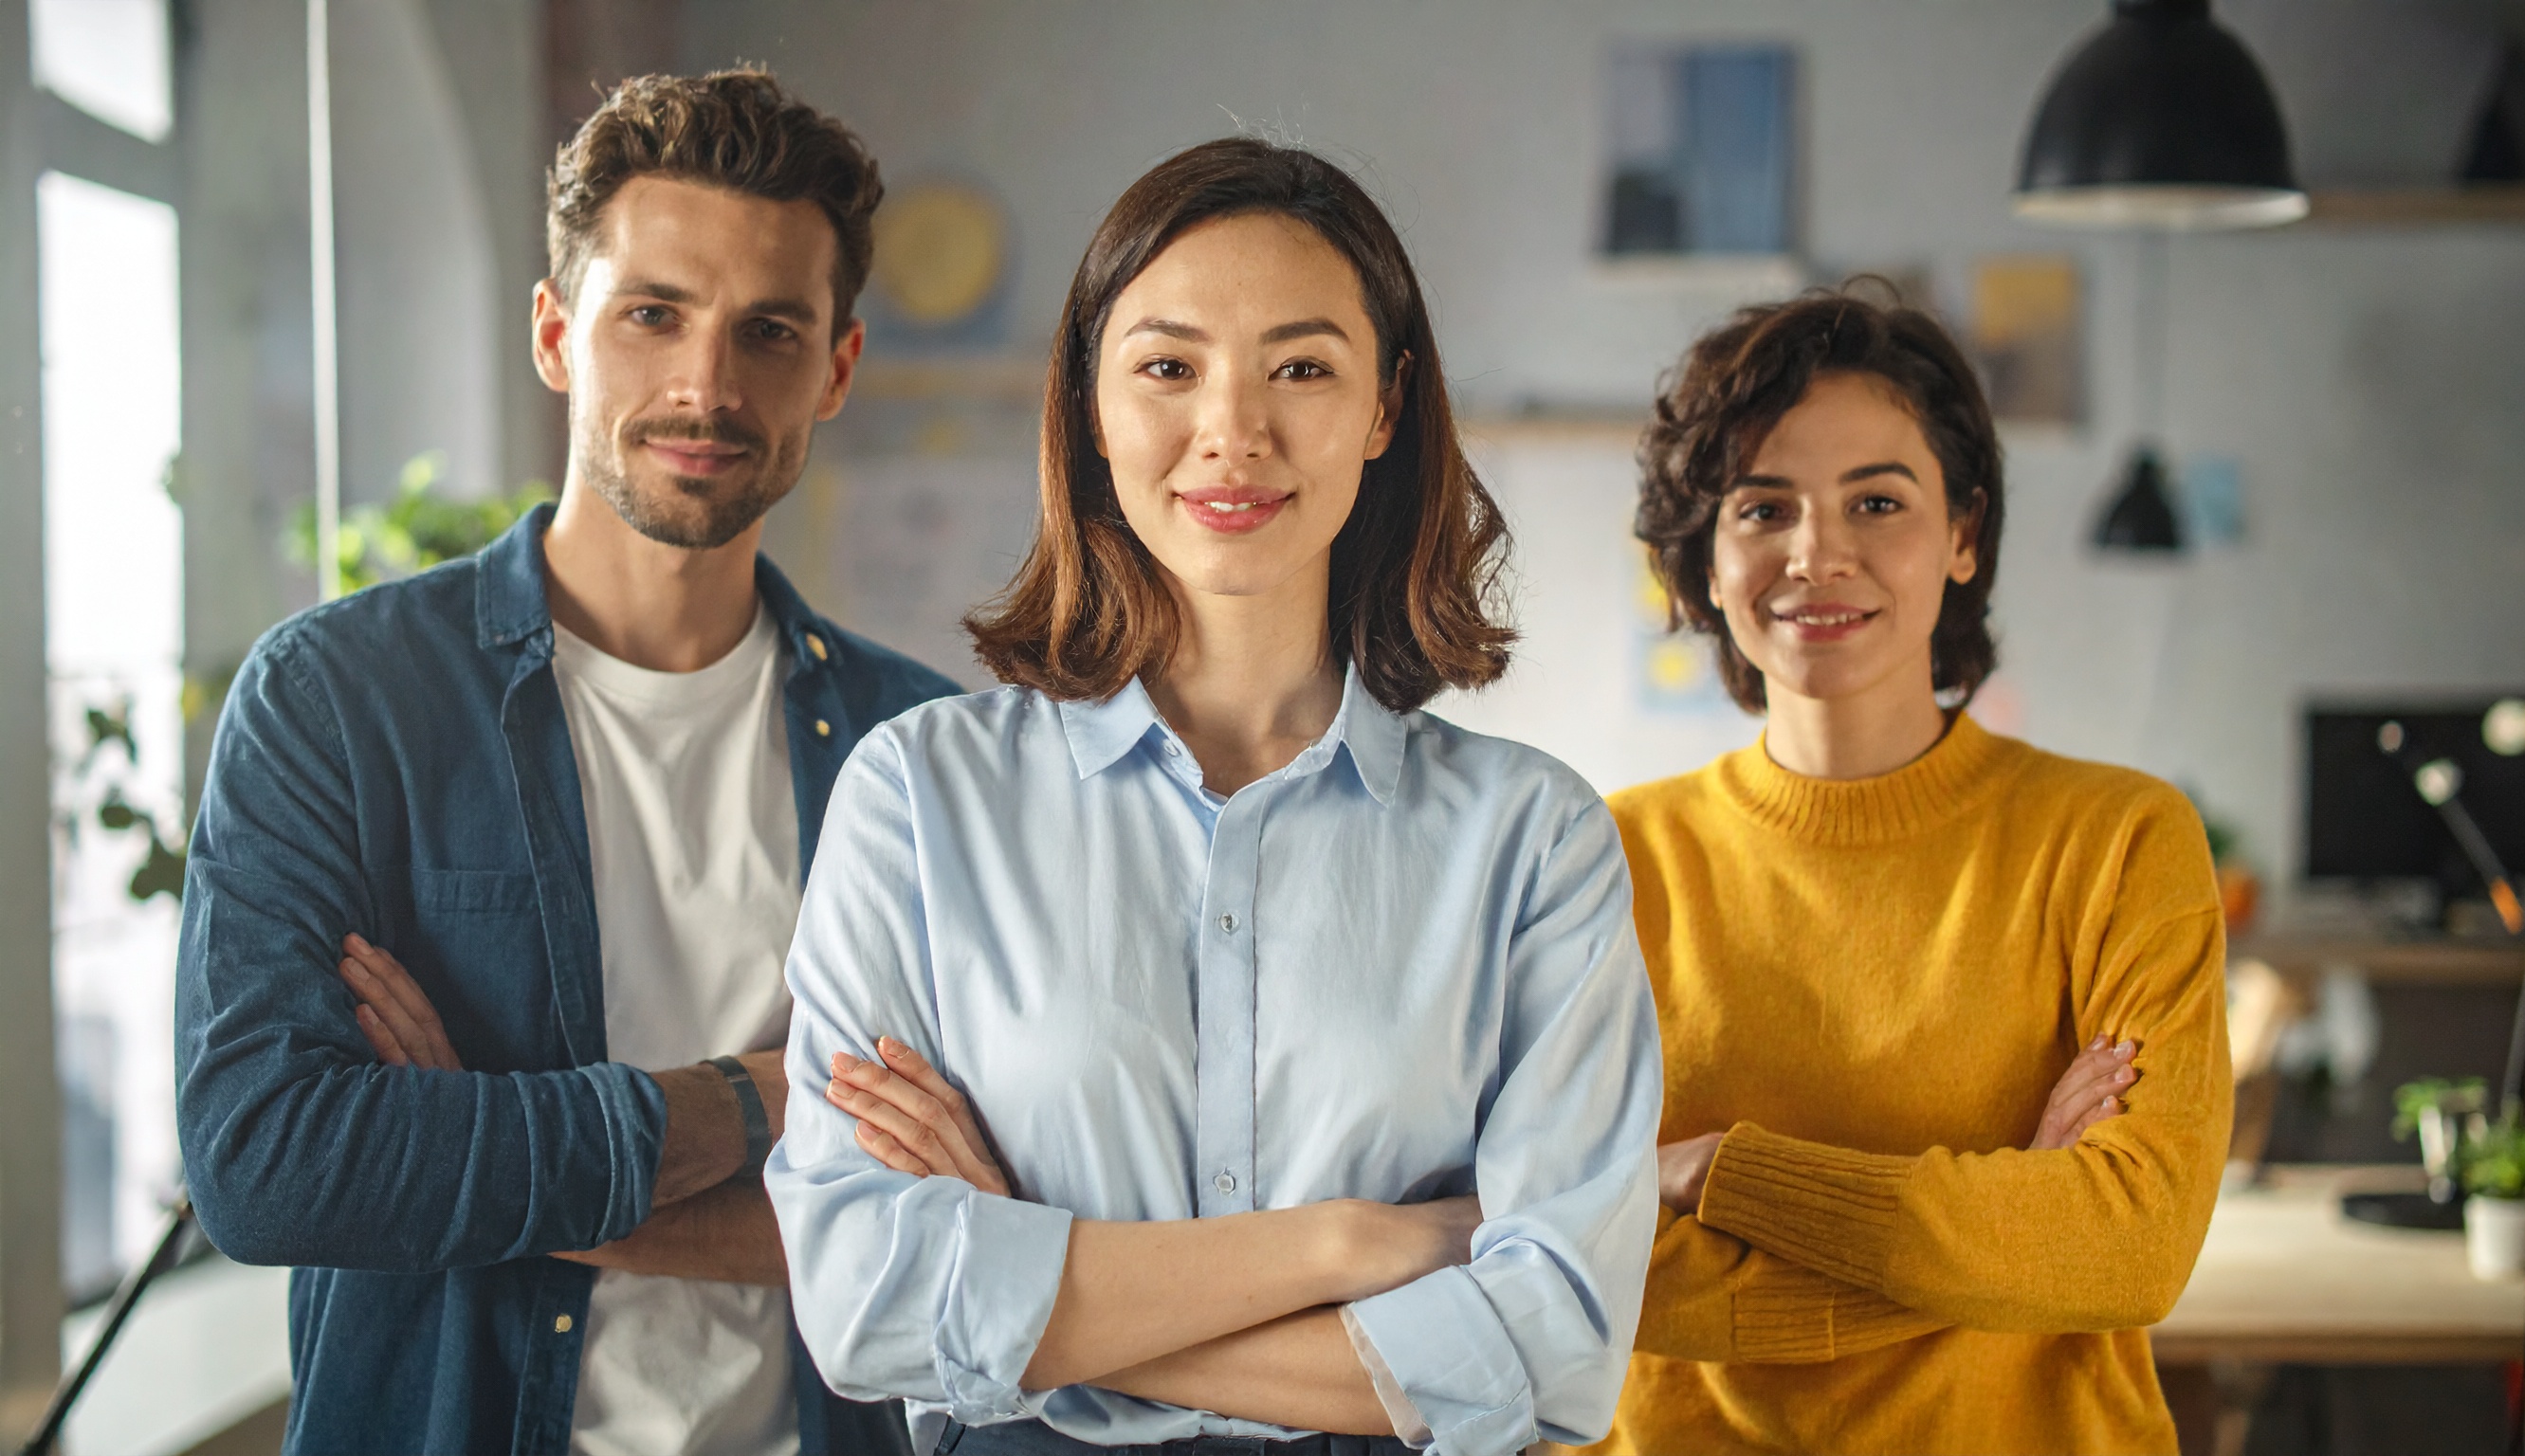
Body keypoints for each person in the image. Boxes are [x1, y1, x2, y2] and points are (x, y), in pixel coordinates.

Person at [763, 137, 1665, 1456]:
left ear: (1384, 407)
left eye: (1301, 368)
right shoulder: (918, 798)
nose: (1231, 433)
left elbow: (1555, 1355)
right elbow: (862, 1302)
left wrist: (1036, 1301)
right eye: (1168, 368)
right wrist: (1350, 1244)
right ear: (1087, 405)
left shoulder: (1535, 843)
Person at [175, 70, 957, 1456]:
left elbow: (978, 1210)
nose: (705, 385)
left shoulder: (925, 751)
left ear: (835, 368)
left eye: (768, 332)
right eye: (651, 315)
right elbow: (273, 1166)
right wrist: (754, 1104)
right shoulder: (339, 701)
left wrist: (476, 1161)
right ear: (556, 333)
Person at [1582, 290, 2232, 1455]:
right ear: (1705, 555)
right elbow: (1563, 1266)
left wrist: (1718, 1172)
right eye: (1762, 506)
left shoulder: (2120, 841)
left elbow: (2129, 1248)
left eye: (1877, 501)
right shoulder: (1603, 862)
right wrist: (2006, 1237)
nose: (1818, 554)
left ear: (1964, 534)